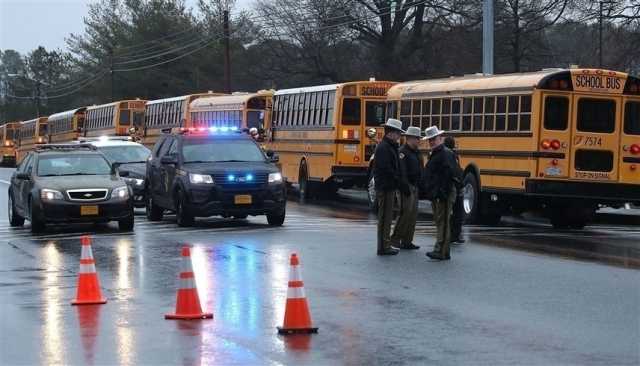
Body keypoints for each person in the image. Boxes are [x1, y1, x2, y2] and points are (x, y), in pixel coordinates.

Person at [422, 126, 458, 260]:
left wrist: (442, 192)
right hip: (439, 192)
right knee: (441, 221)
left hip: (443, 193)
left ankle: (440, 250)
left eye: (433, 139)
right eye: (430, 140)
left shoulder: (444, 153)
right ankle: (444, 251)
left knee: (442, 221)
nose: (431, 142)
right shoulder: (438, 152)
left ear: (440, 138)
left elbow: (449, 174)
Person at [373, 118, 405, 256]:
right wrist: (397, 179)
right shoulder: (384, 148)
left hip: (388, 186)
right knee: (385, 218)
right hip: (386, 187)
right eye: (398, 133)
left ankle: (384, 244)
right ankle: (383, 246)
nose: (399, 137)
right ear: (391, 133)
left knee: (386, 217)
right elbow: (386, 169)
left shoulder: (388, 146)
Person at [391, 126, 422, 250]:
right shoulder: (402, 152)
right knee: (405, 213)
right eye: (417, 138)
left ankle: (407, 240)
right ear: (410, 138)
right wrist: (404, 187)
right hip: (406, 185)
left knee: (413, 214)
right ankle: (395, 239)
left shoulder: (416, 152)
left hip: (415, 185)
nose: (419, 141)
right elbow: (401, 171)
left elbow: (420, 168)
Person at [444, 136, 465, 244]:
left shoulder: (451, 155)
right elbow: (456, 170)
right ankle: (454, 235)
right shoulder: (451, 155)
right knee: (456, 212)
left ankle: (453, 234)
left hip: (454, 186)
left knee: (453, 212)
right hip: (454, 186)